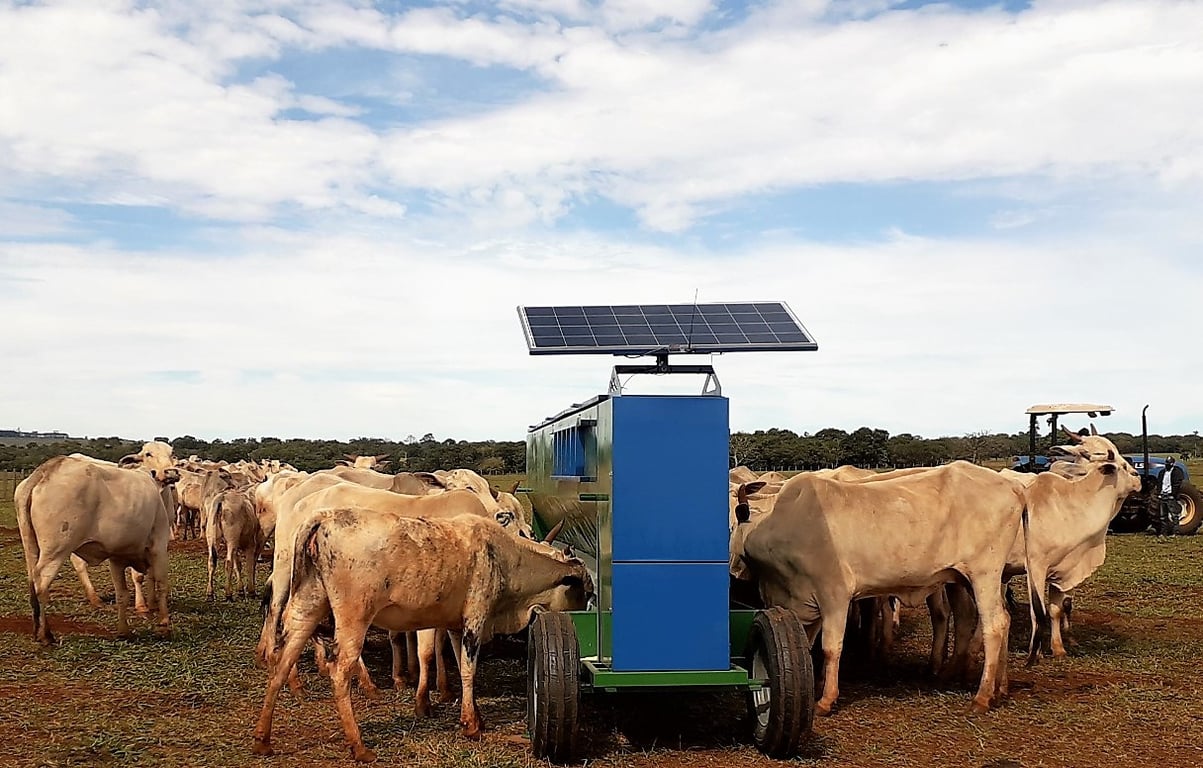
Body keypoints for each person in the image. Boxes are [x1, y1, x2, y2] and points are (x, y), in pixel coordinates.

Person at [1155, 456, 1186, 537]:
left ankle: (1175, 532)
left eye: (1169, 463)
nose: (1167, 465)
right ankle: (1163, 533)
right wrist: (1159, 493)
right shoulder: (1162, 472)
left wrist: (1173, 494)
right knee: (1163, 516)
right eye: (1167, 463)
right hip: (1163, 495)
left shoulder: (1176, 472)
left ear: (1173, 464)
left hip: (1171, 496)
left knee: (1174, 515)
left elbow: (1177, 484)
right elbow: (1159, 483)